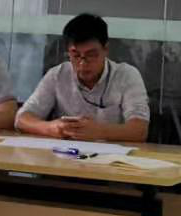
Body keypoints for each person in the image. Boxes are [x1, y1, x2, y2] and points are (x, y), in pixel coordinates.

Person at [16, 13, 149, 142]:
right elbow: (22, 119)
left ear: (106, 49)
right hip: (65, 152)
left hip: (111, 155)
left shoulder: (126, 75)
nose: (83, 63)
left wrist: (99, 131)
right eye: (76, 55)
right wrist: (51, 128)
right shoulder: (58, 75)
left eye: (91, 55)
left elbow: (140, 130)